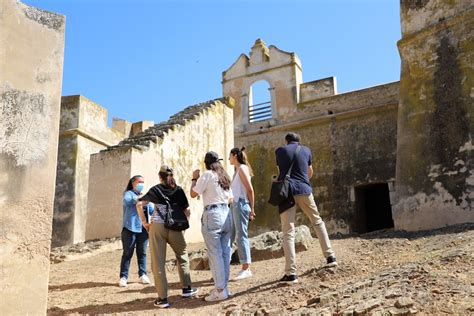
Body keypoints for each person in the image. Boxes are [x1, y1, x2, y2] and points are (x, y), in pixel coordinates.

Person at [275, 132, 337, 284]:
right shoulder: (306, 150)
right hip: (304, 189)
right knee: (317, 221)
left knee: (288, 231)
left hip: (287, 192)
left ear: (286, 141)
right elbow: (310, 172)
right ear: (299, 141)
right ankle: (330, 257)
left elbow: (281, 173)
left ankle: (291, 273)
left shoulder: (280, 151)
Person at [137, 165, 198, 308]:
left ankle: (163, 299)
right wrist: (183, 227)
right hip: (175, 227)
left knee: (158, 262)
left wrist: (145, 223)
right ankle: (187, 289)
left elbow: (139, 204)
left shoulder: (156, 189)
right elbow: (187, 210)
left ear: (160, 177)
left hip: (157, 226)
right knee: (182, 256)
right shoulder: (178, 190)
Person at [190, 151, 233, 302]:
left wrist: (194, 178)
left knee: (215, 253)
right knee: (225, 252)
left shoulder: (207, 174)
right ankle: (224, 287)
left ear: (206, 164)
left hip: (213, 214)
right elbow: (231, 198)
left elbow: (193, 193)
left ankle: (220, 290)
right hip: (227, 213)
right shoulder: (224, 176)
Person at [119, 175, 154, 287]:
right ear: (133, 182)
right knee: (127, 253)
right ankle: (123, 277)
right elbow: (127, 201)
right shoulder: (129, 194)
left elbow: (152, 209)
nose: (141, 184)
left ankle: (143, 274)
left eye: (143, 182)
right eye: (140, 182)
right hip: (130, 228)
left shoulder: (145, 196)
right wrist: (142, 199)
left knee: (142, 252)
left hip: (143, 229)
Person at [229, 147, 255, 281]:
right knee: (232, 236)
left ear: (234, 155)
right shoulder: (238, 171)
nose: (228, 159)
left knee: (241, 236)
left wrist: (252, 209)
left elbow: (250, 190)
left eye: (230, 156)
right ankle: (225, 269)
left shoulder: (242, 169)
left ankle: (246, 268)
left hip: (240, 205)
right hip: (236, 205)